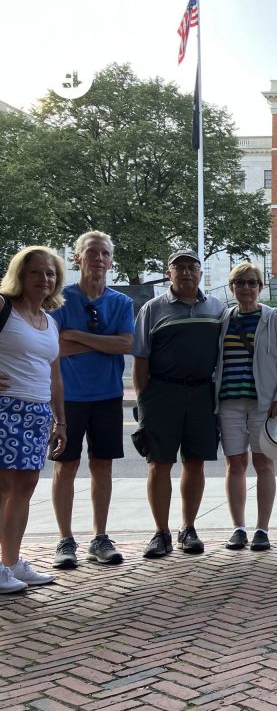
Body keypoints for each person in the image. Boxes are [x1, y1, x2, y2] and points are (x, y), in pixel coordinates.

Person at [48, 231, 134, 569]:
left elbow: (126, 344)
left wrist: (76, 336)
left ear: (111, 261)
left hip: (108, 396)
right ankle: (65, 540)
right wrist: (103, 340)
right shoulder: (59, 301)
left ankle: (100, 537)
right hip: (68, 399)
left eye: (105, 254)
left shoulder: (121, 302)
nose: (99, 259)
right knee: (65, 467)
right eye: (92, 253)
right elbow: (54, 347)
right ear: (77, 258)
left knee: (102, 466)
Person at [133, 250, 225, 558]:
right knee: (159, 463)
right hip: (162, 393)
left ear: (200, 274)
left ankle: (188, 528)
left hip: (202, 393)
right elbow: (141, 359)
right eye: (179, 268)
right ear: (169, 273)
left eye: (191, 267)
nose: (186, 272)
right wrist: (144, 401)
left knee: (195, 461)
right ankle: (161, 532)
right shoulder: (152, 309)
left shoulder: (217, 308)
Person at [214, 262, 277, 552]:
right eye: (239, 283)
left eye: (252, 283)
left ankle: (262, 529)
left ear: (261, 288)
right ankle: (238, 528)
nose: (246, 288)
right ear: (232, 287)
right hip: (230, 403)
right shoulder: (224, 318)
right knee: (235, 464)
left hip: (264, 404)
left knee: (264, 463)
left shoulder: (273, 318)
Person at [0, 246, 65, 593]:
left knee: (24, 487)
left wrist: (61, 421)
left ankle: (11, 563)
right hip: (4, 408)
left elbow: (55, 377)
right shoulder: (4, 308)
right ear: (20, 276)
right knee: (3, 487)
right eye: (36, 272)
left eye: (50, 273)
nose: (45, 279)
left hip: (38, 413)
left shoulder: (50, 321)